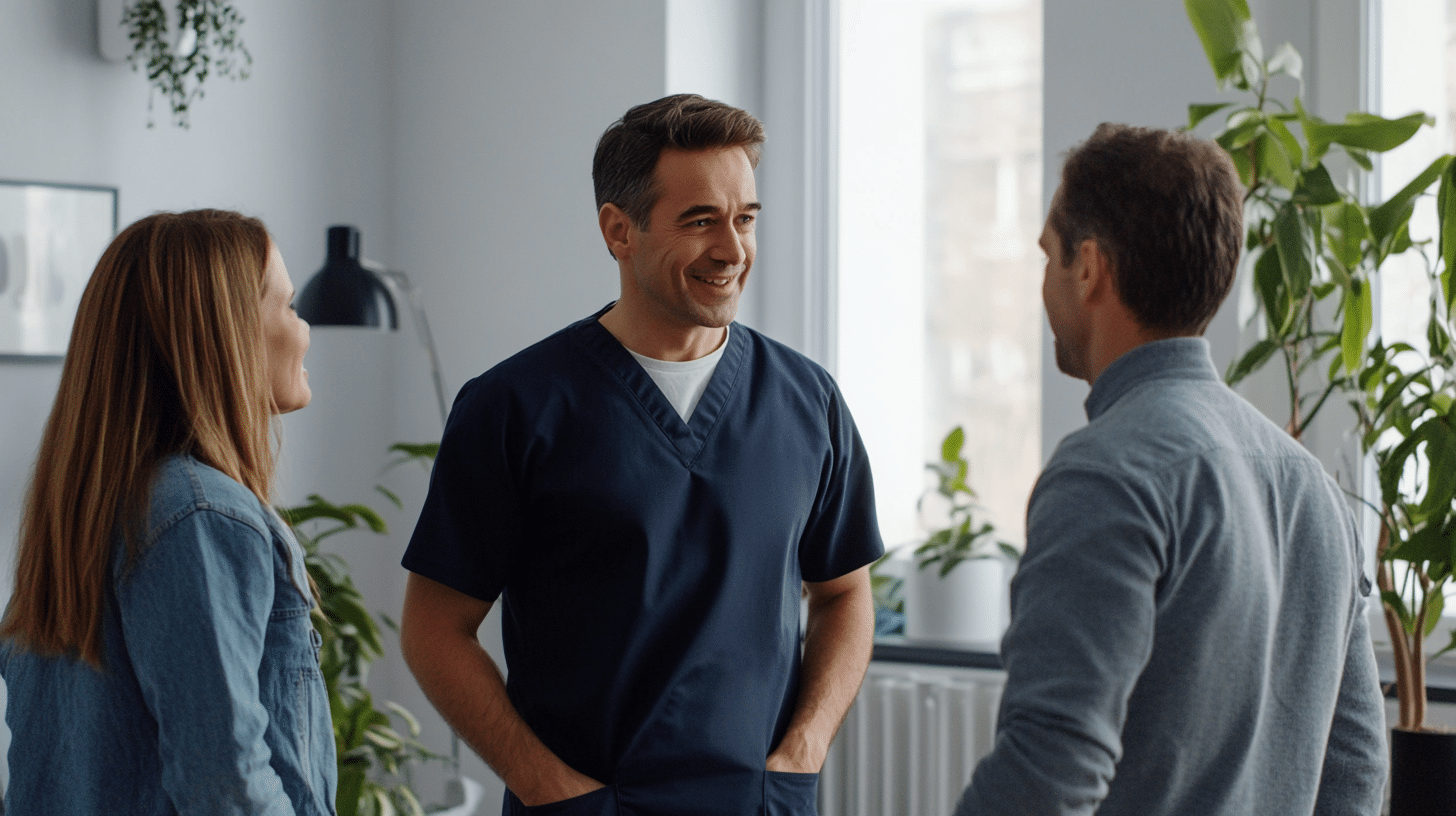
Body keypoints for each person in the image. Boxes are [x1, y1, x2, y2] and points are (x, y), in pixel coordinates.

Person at [399, 94, 883, 816]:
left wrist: (802, 752)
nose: (733, 249)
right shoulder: (514, 407)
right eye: (700, 221)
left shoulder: (807, 402)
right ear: (618, 231)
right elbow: (434, 629)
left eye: (745, 218)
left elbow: (844, 592)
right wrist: (546, 787)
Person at [952, 123, 1387, 815]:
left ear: (1089, 267)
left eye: (1049, 257)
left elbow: (1048, 771)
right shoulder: (1316, 491)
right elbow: (1357, 772)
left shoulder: (1107, 473)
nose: (1046, 281)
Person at [0, 209, 335, 815]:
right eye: (287, 306)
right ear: (226, 334)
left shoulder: (89, 510)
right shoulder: (200, 517)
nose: (305, 329)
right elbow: (226, 783)